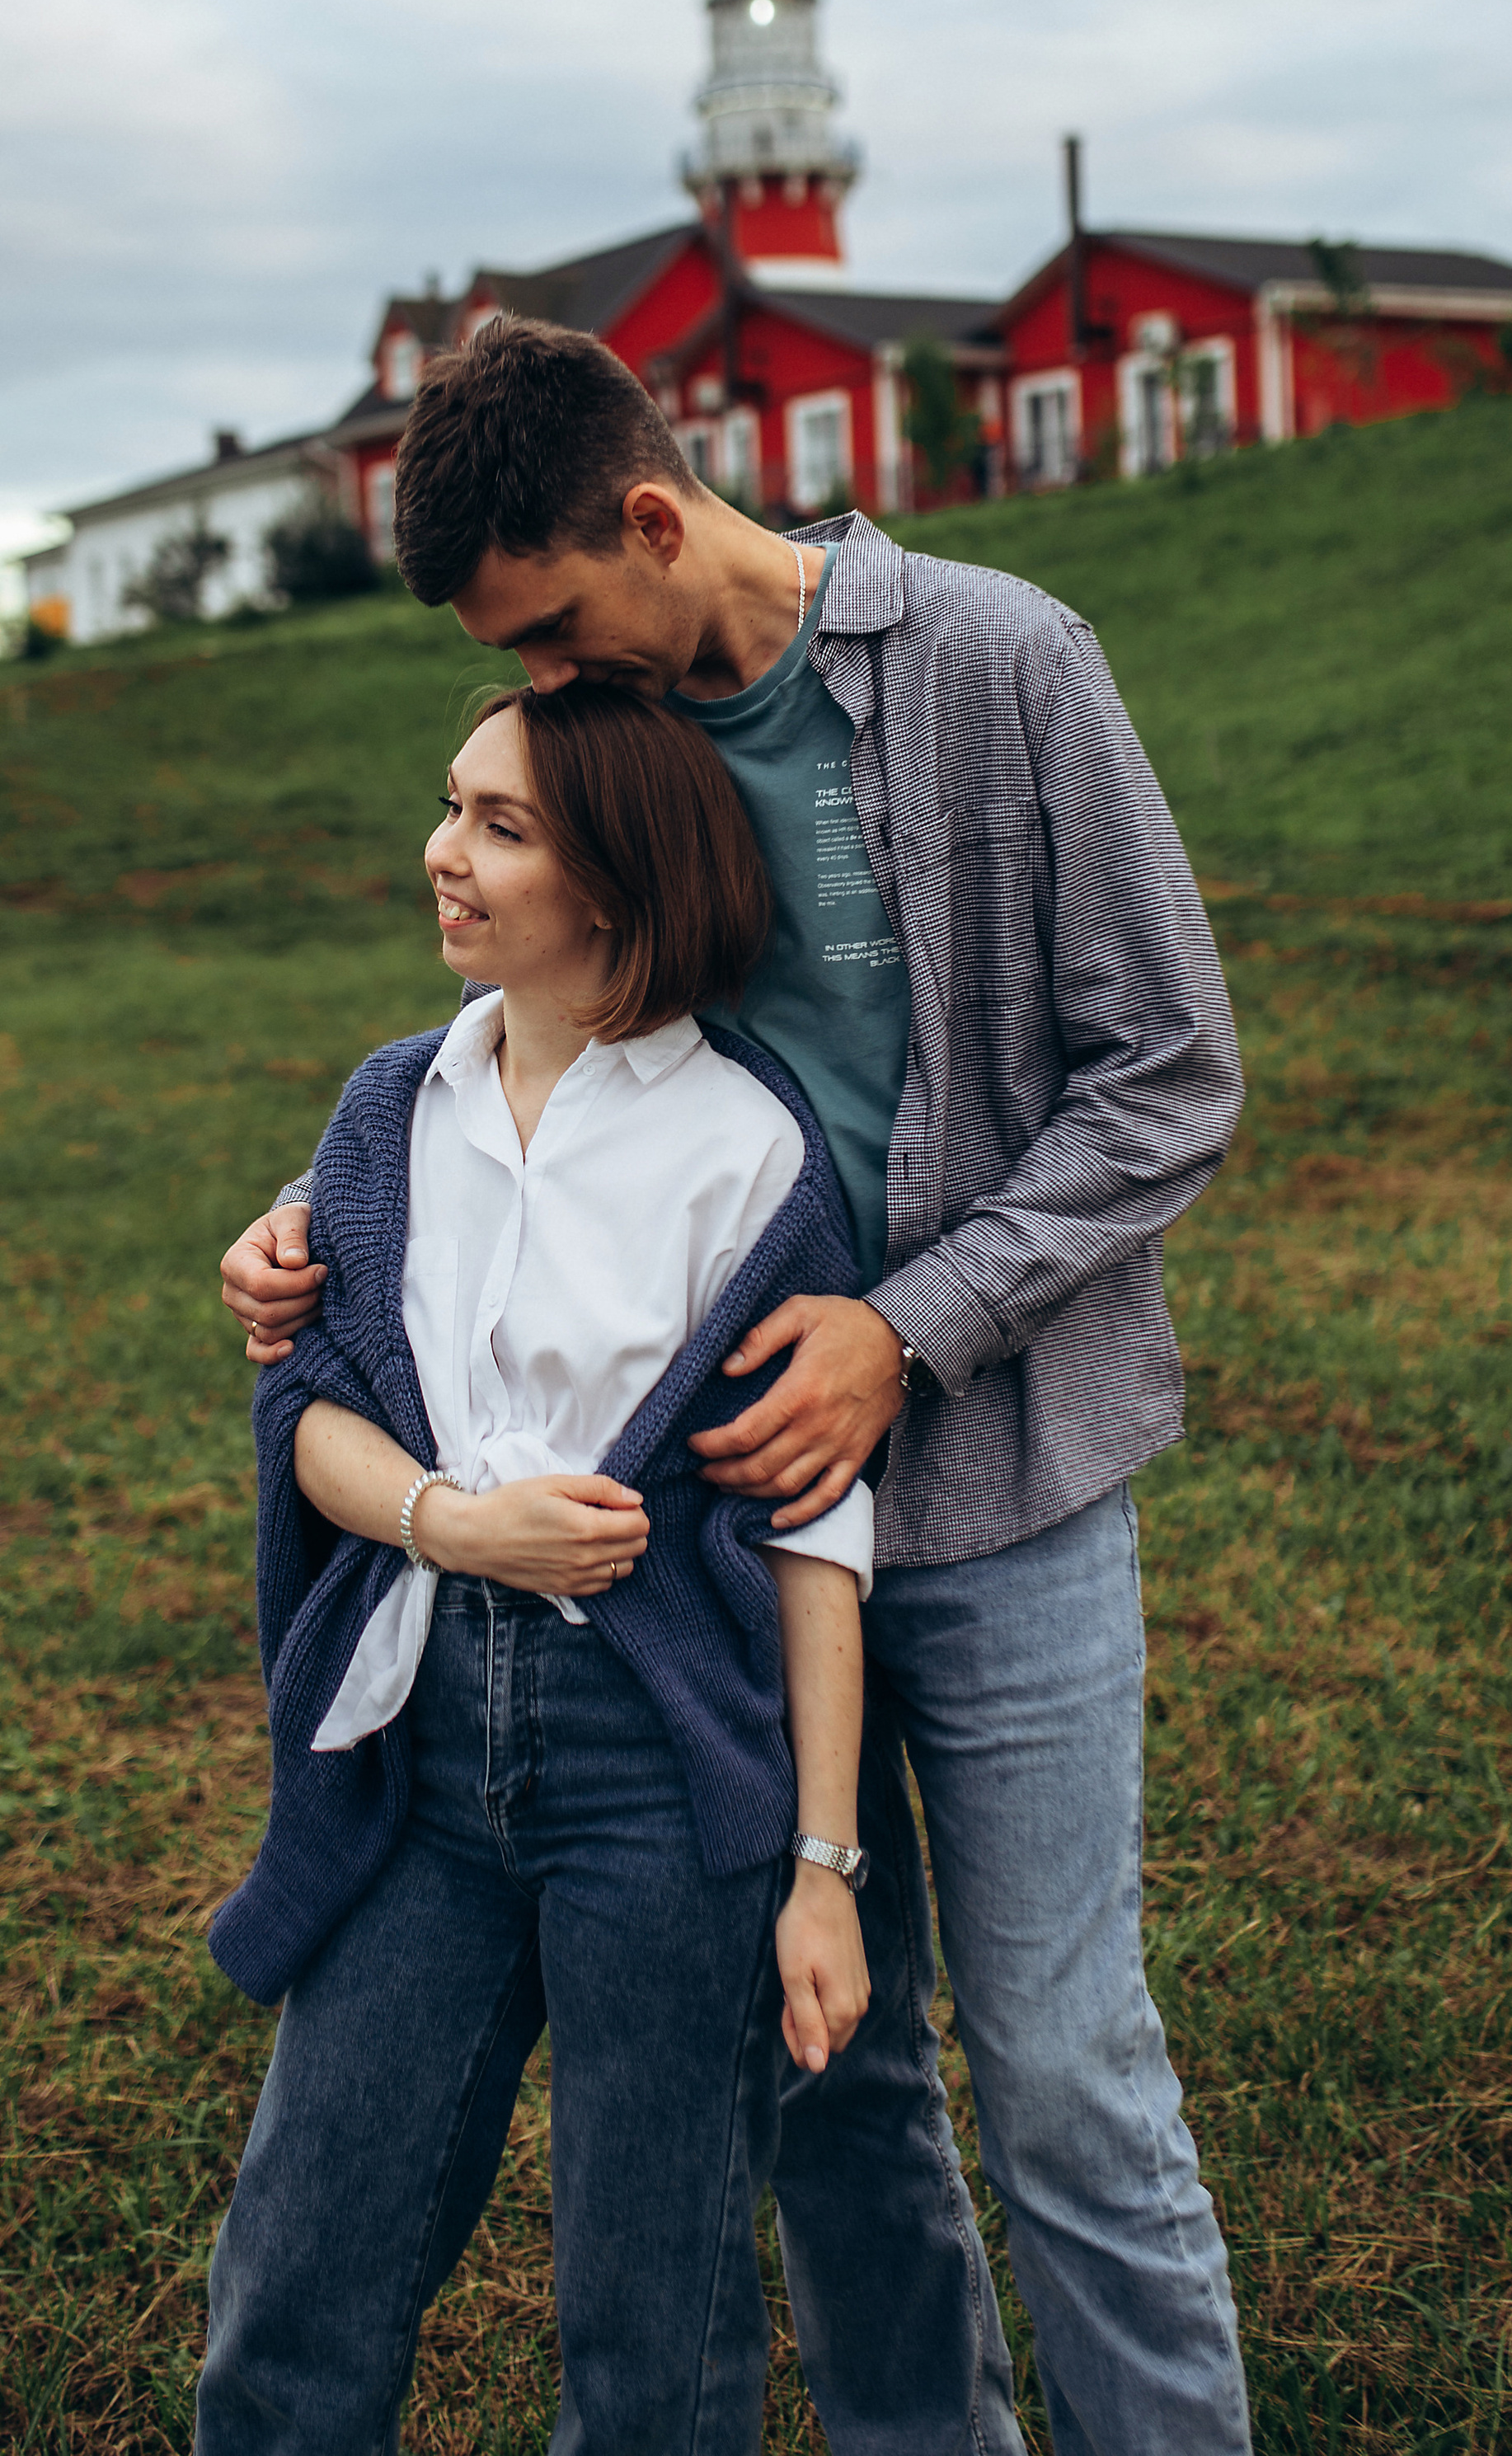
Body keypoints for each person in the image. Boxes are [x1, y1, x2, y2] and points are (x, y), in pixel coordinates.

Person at [223, 317, 1256, 2456]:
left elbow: (1176, 1076)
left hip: (1011, 1483)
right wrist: (333, 1211)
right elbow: (573, 1047)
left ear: (653, 516)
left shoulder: (1002, 665)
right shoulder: (627, 730)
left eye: (560, 624)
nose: (556, 684)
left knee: (1063, 2064)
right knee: (828, 2080)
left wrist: (912, 1323)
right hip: (723, 1543)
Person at [197, 679, 876, 2456]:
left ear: (616, 886)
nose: (443, 853)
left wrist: (817, 1866)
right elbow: (309, 1416)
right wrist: (450, 1521)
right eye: (450, 806)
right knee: (298, 2272)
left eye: (501, 828)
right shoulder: (388, 1110)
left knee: (650, 2331)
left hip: (652, 1772)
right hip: (417, 1749)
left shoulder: (746, 1153)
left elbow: (808, 1532)